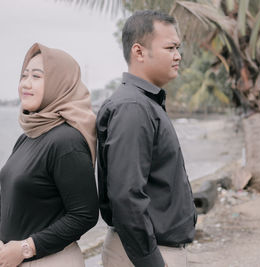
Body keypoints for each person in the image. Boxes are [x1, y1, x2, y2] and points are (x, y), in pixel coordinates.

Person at [96, 10, 197, 267]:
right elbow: (126, 197)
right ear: (139, 52)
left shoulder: (144, 103)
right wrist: (152, 262)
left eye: (179, 47)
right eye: (170, 47)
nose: (178, 55)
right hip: (144, 255)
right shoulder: (133, 107)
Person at [0, 43, 99, 267]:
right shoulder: (29, 135)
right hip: (12, 258)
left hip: (51, 260)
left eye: (36, 76)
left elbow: (84, 215)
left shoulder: (67, 141)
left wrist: (26, 248)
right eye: (24, 75)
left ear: (60, 83)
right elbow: (5, 191)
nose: (25, 84)